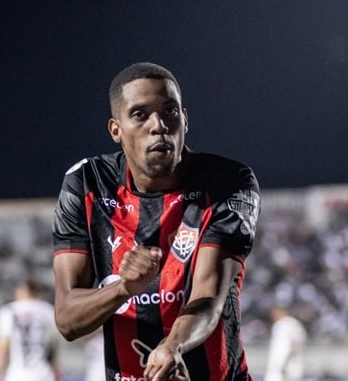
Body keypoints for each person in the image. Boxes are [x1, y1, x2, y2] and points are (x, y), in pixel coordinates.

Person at [52, 62, 260, 381]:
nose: (159, 125)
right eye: (140, 114)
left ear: (185, 120)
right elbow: (67, 319)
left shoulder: (229, 182)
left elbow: (208, 293)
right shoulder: (86, 184)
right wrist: (124, 288)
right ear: (115, 130)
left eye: (169, 111)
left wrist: (173, 346)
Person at [0, 278, 59, 381]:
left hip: (18, 375)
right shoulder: (48, 311)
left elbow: (2, 346)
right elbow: (53, 348)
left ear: (20, 291)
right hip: (43, 374)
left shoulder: (8, 311)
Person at [264, 307, 306, 381]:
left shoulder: (284, 324)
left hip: (283, 367)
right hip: (289, 366)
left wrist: (283, 364)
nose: (273, 317)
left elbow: (293, 343)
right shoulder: (295, 324)